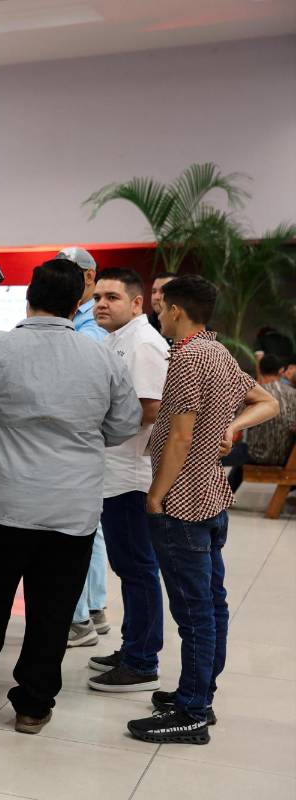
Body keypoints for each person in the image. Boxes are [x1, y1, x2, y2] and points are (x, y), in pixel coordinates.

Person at [0, 259, 140, 735]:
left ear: (28, 297)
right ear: (78, 302)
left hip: (1, 505)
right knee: (53, 610)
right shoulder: (102, 356)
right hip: (71, 511)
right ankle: (34, 705)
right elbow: (124, 425)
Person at [128, 275, 278, 745]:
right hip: (212, 498)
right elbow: (267, 402)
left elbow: (181, 436)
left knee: (194, 613)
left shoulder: (189, 359)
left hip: (185, 503)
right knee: (211, 604)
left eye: (161, 305)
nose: (157, 311)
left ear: (176, 311)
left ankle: (193, 712)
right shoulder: (216, 351)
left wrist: (157, 494)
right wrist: (233, 425)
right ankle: (198, 693)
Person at [83, 268, 170, 693]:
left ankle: (142, 660)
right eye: (98, 296)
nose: (101, 303)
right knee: (128, 566)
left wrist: (98, 430)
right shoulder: (116, 339)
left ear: (137, 303)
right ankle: (132, 645)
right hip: (113, 471)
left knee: (137, 568)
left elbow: (151, 408)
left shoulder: (143, 342)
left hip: (132, 475)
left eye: (113, 297)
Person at [57, 246, 111, 649]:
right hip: (81, 446)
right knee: (90, 531)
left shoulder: (92, 328)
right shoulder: (76, 320)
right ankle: (93, 609)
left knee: (78, 531)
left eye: (72, 272)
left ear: (89, 278)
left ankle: (81, 618)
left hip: (81, 443)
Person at [221, 354, 296, 491]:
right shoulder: (293, 393)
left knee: (214, 453)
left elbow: (235, 429)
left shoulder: (256, 396)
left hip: (256, 454)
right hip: (285, 456)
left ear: (260, 370)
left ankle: (217, 498)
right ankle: (222, 497)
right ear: (280, 371)